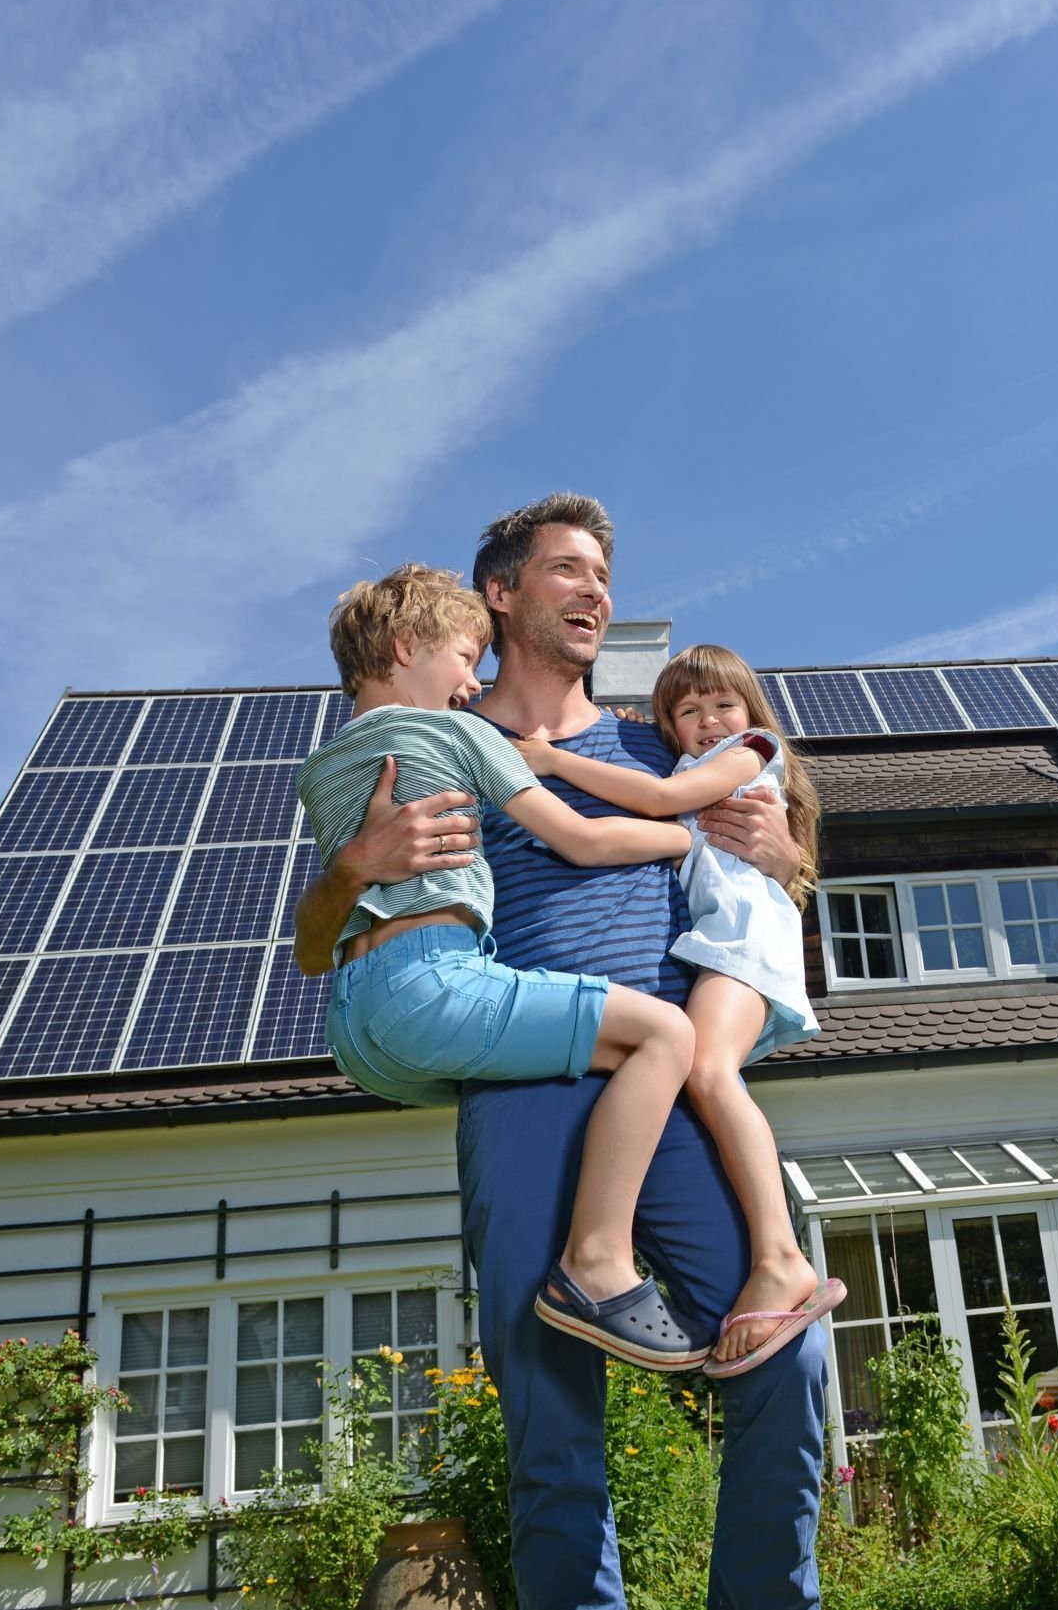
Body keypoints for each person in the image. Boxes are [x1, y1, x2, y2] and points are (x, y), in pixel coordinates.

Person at [295, 495, 828, 1608]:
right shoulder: (436, 736)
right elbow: (322, 938)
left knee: (786, 1349)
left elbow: (762, 889)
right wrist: (356, 869)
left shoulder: (656, 750)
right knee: (548, 1416)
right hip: (524, 1077)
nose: (597, 593)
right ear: (500, 593)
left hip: (668, 1082)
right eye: (569, 571)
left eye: (604, 576)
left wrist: (786, 852)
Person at [300, 562, 760, 1369]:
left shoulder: (327, 764)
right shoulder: (460, 733)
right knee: (663, 1034)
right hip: (432, 982)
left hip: (359, 1022)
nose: (474, 682)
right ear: (408, 647)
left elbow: (314, 943)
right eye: (465, 659)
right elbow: (581, 838)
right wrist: (687, 838)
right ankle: (599, 1264)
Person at [516, 642, 831, 1375]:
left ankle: (782, 1257)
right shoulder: (691, 776)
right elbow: (616, 834)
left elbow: (656, 802)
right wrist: (628, 733)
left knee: (711, 1070)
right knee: (702, 1072)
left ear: (752, 712)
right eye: (688, 711)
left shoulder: (752, 752)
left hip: (744, 943)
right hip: (721, 949)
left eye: (723, 703)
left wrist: (554, 761)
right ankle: (773, 1254)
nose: (708, 719)